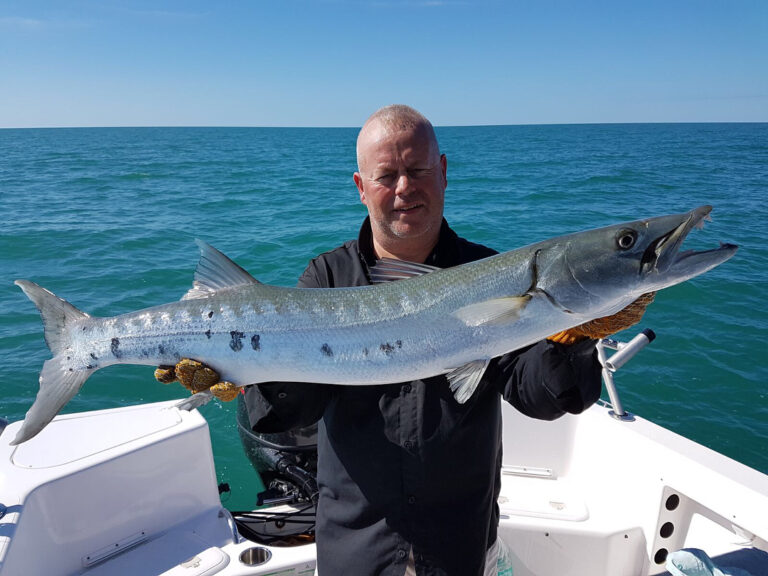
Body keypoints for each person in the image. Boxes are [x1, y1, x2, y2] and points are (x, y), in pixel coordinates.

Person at [159, 105, 651, 576]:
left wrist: (576, 336)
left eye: (417, 171)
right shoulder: (328, 275)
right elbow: (294, 407)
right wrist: (241, 374)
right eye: (386, 175)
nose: (403, 189)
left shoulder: (491, 274)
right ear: (361, 186)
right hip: (357, 545)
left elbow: (540, 396)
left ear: (443, 171)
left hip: (459, 542)